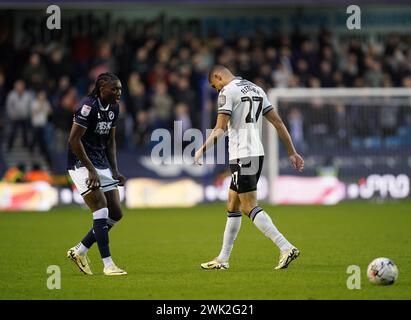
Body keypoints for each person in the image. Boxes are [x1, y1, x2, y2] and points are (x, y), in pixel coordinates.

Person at [195, 65, 304, 270]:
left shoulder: (228, 92)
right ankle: (222, 259)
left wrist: (201, 149)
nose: (217, 90)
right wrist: (292, 152)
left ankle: (285, 246)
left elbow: (219, 129)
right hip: (256, 152)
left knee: (248, 206)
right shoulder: (256, 89)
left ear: (218, 77)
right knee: (232, 203)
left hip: (242, 155)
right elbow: (278, 123)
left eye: (214, 86)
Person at [66, 72, 127, 276]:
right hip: (80, 163)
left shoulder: (114, 108)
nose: (118, 92)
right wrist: (91, 170)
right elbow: (74, 140)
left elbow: (110, 142)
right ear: (102, 89)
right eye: (114, 89)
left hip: (100, 163)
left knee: (116, 212)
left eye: (119, 88)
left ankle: (80, 251)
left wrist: (115, 170)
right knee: (101, 209)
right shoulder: (88, 106)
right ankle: (108, 265)